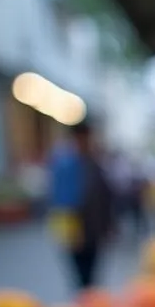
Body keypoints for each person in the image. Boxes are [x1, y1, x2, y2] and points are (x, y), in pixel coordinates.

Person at [47, 119, 115, 290]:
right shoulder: (65, 163)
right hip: (74, 226)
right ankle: (86, 304)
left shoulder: (93, 161)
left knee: (92, 271)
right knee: (81, 272)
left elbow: (105, 195)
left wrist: (109, 224)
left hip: (95, 227)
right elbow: (61, 200)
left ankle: (91, 301)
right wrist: (69, 231)